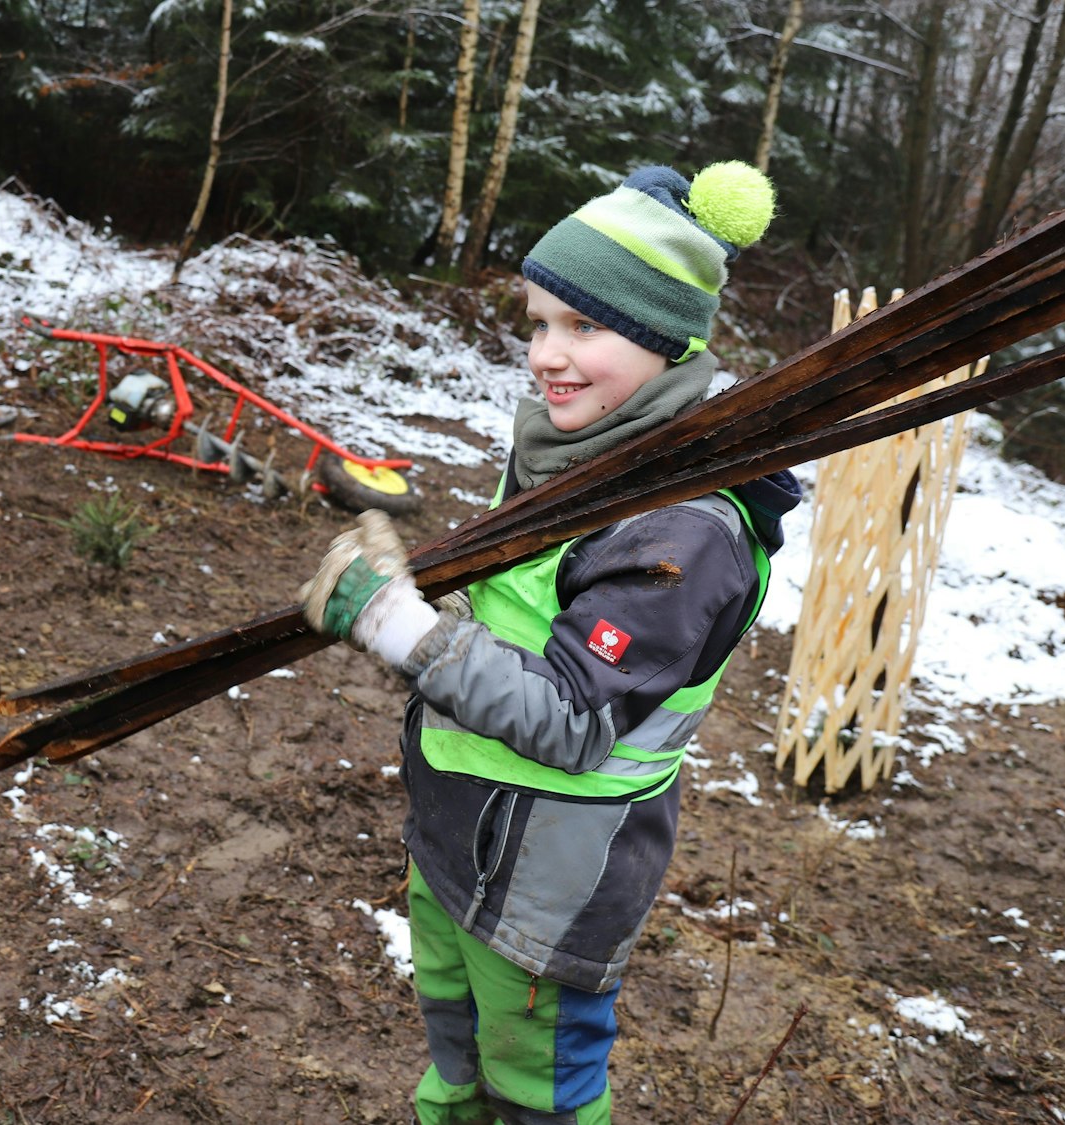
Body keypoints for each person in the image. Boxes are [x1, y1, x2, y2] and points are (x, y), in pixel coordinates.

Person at [300, 162, 802, 1124]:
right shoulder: (578, 450)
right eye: (537, 323)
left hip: (547, 886)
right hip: (458, 834)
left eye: (584, 326)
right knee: (454, 1061)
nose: (547, 354)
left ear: (665, 338)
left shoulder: (682, 529)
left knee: (540, 1094)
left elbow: (574, 719)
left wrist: (397, 624)